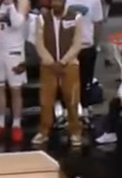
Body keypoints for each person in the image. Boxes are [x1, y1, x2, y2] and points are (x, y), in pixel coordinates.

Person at [31, 0, 83, 147]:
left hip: (70, 64)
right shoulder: (42, 19)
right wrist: (51, 62)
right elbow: (39, 43)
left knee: (72, 100)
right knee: (45, 101)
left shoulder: (76, 17)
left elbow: (77, 43)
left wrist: (63, 61)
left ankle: (75, 131)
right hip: (48, 66)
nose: (55, 4)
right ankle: (44, 131)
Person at [0, 0, 29, 145]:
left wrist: (10, 5)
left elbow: (17, 23)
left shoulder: (22, 2)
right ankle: (0, 122)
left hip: (15, 51)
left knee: (15, 89)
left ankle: (16, 124)